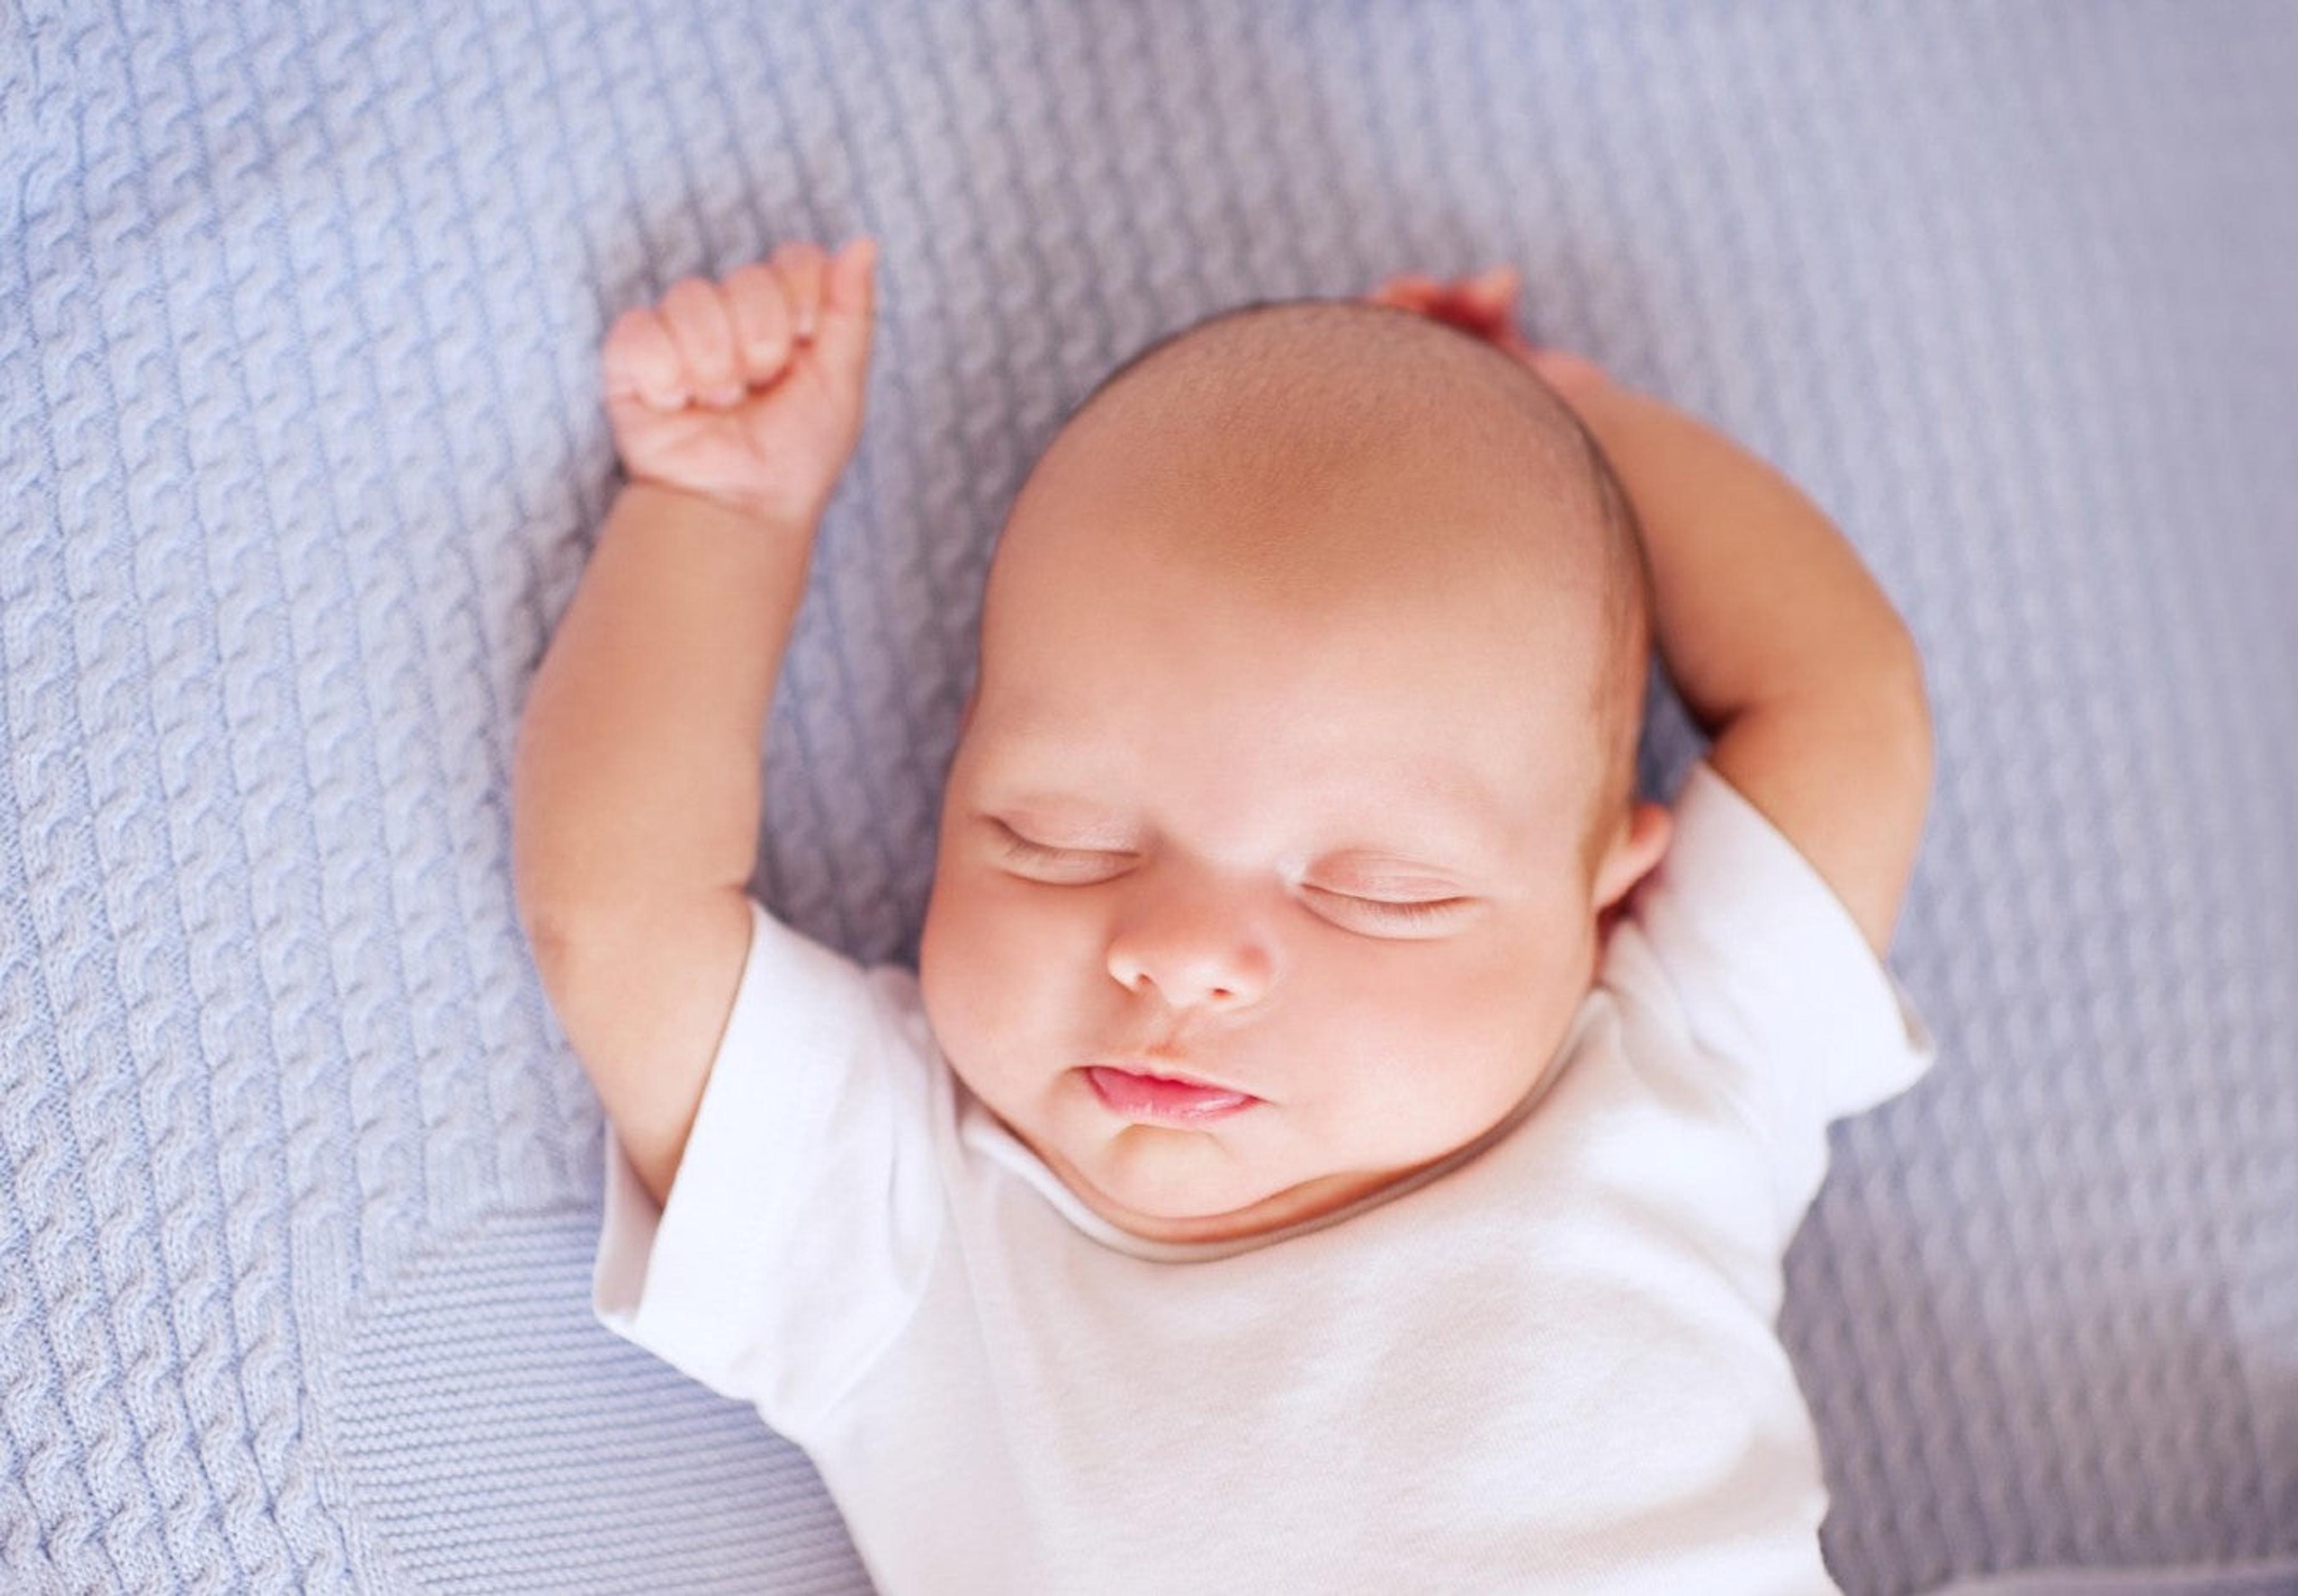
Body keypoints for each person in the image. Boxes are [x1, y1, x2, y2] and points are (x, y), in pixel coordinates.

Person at [511, 233, 1940, 1592]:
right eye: (1054, 837)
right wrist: (721, 515)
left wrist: (1576, 427)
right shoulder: (912, 1217)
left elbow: (1840, 704)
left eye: (1380, 892)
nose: (1183, 958)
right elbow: (626, 912)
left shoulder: (1672, 1056)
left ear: (1600, 900)